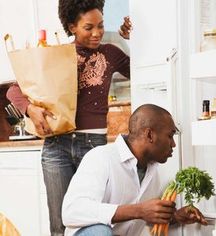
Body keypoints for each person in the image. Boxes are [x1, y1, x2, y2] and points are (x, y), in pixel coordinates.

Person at [6, 0, 131, 235]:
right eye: (89, 27)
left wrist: (131, 37)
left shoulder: (111, 53)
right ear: (72, 26)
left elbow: (144, 68)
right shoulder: (56, 55)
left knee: (96, 219)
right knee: (59, 225)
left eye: (101, 26)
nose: (97, 33)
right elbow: (14, 90)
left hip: (94, 148)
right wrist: (30, 109)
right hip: (56, 147)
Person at [62, 104, 208, 236]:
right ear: (150, 135)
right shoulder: (101, 157)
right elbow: (71, 211)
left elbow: (141, 220)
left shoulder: (153, 171)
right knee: (100, 231)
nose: (173, 144)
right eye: (170, 136)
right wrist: (139, 210)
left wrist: (174, 217)